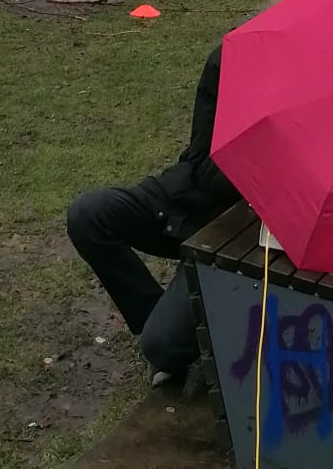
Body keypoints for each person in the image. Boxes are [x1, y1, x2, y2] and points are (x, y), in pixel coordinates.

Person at [65, 40, 238, 386]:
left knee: (162, 349)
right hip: (187, 199)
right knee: (88, 215)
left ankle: (173, 331)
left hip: (237, 235)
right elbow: (200, 158)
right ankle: (159, 316)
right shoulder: (230, 59)